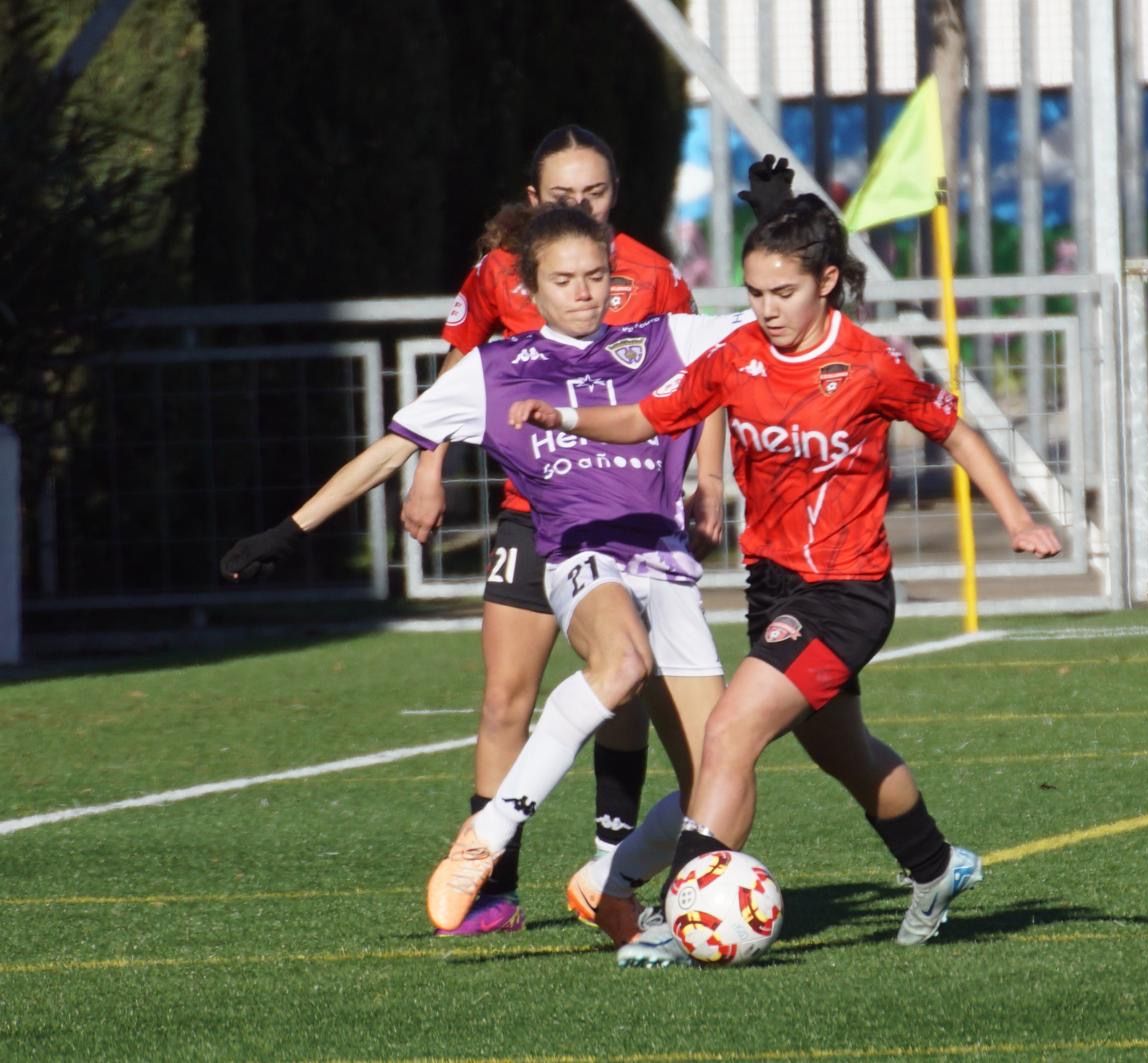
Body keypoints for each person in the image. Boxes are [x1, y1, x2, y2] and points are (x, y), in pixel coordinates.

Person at [509, 192, 1062, 950]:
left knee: (730, 729)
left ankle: (680, 914)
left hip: (848, 589)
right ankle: (935, 867)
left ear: (826, 281)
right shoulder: (736, 357)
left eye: (783, 292)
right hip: (774, 586)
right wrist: (562, 415)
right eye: (755, 293)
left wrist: (1019, 518)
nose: (765, 309)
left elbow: (955, 430)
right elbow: (646, 416)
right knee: (845, 751)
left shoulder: (870, 363)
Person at [221, 204, 753, 958]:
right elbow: (386, 452)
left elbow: (779, 314)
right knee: (622, 664)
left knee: (724, 787)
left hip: (666, 562)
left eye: (597, 277)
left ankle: (614, 880)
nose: (583, 293)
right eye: (563, 280)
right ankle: (489, 830)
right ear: (530, 289)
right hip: (579, 554)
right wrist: (290, 530)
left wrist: (782, 232)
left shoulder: (663, 339)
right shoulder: (495, 368)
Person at [401, 125, 724, 937]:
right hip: (530, 512)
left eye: (598, 192)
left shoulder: (652, 276)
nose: (583, 206)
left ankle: (611, 875)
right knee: (506, 697)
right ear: (535, 199)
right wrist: (427, 466)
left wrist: (708, 476)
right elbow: (459, 370)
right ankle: (494, 883)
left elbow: (706, 377)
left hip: (628, 518)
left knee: (630, 698)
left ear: (617, 195)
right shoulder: (497, 274)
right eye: (566, 194)